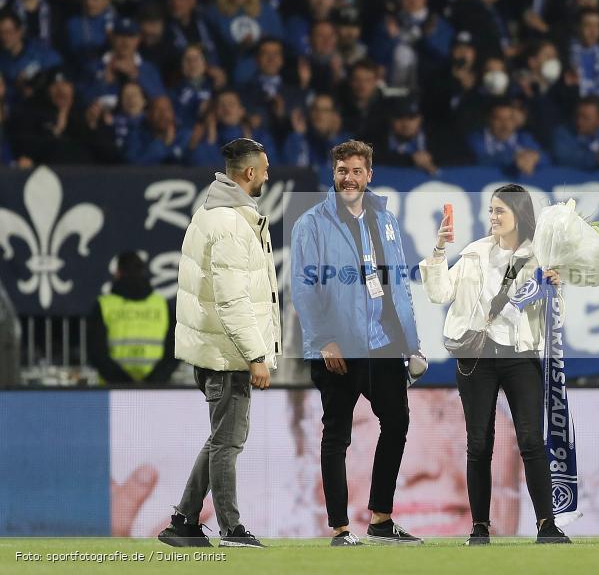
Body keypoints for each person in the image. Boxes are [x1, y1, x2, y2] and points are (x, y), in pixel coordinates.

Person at [419, 183, 571, 546]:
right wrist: (439, 249)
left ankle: (546, 525)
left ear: (519, 214)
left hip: (521, 356)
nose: (493, 217)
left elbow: (553, 319)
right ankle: (480, 528)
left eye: (500, 210)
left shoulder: (538, 259)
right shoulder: (474, 252)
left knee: (532, 440)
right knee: (479, 443)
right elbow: (439, 293)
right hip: (478, 358)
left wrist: (555, 288)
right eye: (491, 210)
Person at [290, 140, 425, 546]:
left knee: (397, 422)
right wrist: (323, 340)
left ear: (370, 175)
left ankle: (381, 521)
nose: (348, 178)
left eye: (356, 171)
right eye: (341, 170)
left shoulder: (384, 219)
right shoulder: (310, 223)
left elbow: (398, 284)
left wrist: (412, 343)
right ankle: (339, 529)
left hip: (382, 344)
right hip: (338, 347)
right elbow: (303, 287)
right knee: (337, 436)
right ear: (333, 174)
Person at [158, 137, 281, 549]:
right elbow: (232, 300)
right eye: (264, 169)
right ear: (249, 173)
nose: (267, 175)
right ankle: (231, 528)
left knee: (219, 439)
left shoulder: (208, 214)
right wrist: (255, 355)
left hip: (213, 350)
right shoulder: (230, 223)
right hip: (228, 355)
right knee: (228, 443)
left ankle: (184, 521)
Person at [86, 251, 176, 385]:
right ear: (142, 272)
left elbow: (96, 353)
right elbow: (174, 350)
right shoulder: (161, 305)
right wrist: (154, 380)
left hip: (113, 390)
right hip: (156, 390)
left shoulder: (104, 305)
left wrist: (123, 383)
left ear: (118, 272)